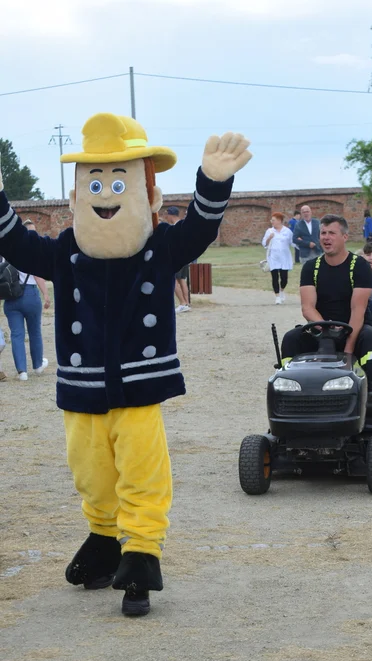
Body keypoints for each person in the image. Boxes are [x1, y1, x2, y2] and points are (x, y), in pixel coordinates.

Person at [0, 112, 252, 617]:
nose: (106, 192)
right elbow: (15, 245)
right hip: (83, 387)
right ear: (75, 195)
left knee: (142, 473)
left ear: (147, 192)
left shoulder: (157, 249)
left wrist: (214, 183)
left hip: (139, 388)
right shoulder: (66, 250)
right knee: (90, 473)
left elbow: (199, 229)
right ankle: (102, 540)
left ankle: (140, 555)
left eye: (119, 181)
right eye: (94, 181)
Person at [281, 214, 372, 408]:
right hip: (321, 329)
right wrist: (325, 332)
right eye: (323, 233)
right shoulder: (311, 267)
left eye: (332, 233)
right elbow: (307, 307)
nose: (326, 238)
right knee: (291, 338)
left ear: (344, 237)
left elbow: (358, 310)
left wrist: (348, 349)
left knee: (370, 337)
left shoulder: (359, 266)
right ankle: (289, 389)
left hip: (354, 328)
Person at [3, 220, 50, 381]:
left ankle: (22, 372)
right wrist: (46, 294)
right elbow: (38, 275)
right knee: (35, 332)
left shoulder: (6, 250)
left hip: (10, 298)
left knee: (17, 335)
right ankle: (37, 366)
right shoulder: (31, 250)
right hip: (30, 294)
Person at [262, 212, 294, 305]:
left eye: (273, 220)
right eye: (271, 220)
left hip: (284, 257)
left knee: (284, 278)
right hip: (273, 257)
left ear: (279, 220)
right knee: (275, 277)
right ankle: (277, 297)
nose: (272, 222)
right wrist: (269, 238)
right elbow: (264, 243)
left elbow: (292, 242)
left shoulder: (287, 231)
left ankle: (281, 290)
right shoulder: (269, 231)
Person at [166, 207, 191, 313]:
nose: (165, 217)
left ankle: (182, 303)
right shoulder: (183, 224)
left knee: (174, 280)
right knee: (182, 280)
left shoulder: (175, 227)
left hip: (177, 257)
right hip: (185, 257)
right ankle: (187, 303)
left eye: (166, 214)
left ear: (170, 215)